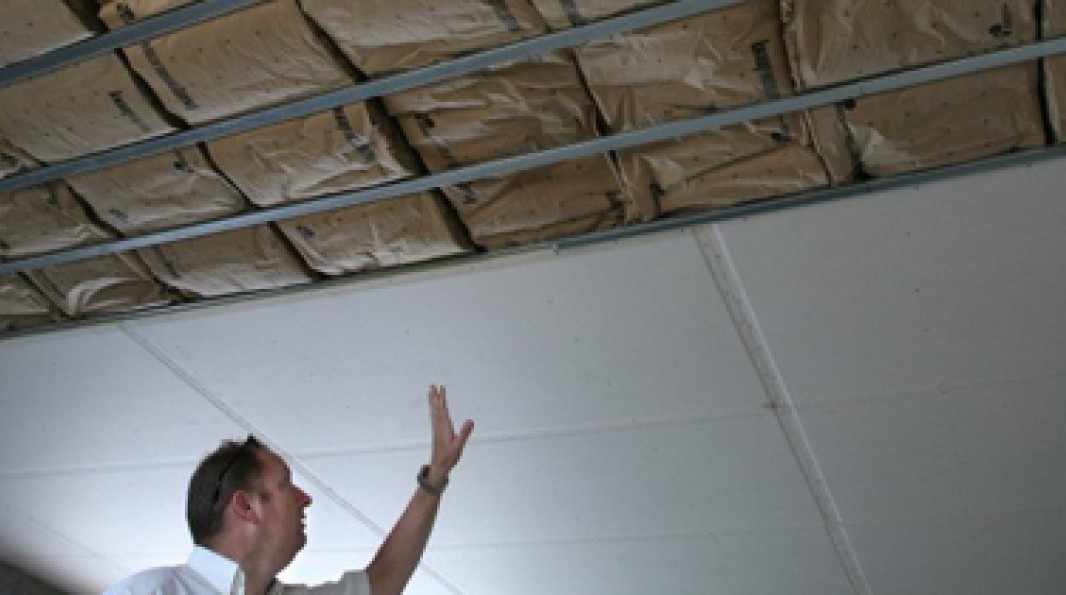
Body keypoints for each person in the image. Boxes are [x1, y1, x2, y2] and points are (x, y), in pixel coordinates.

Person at [104, 385, 474, 595]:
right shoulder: (152, 592)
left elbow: (382, 581)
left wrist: (434, 481)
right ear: (246, 507)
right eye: (286, 486)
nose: (306, 499)